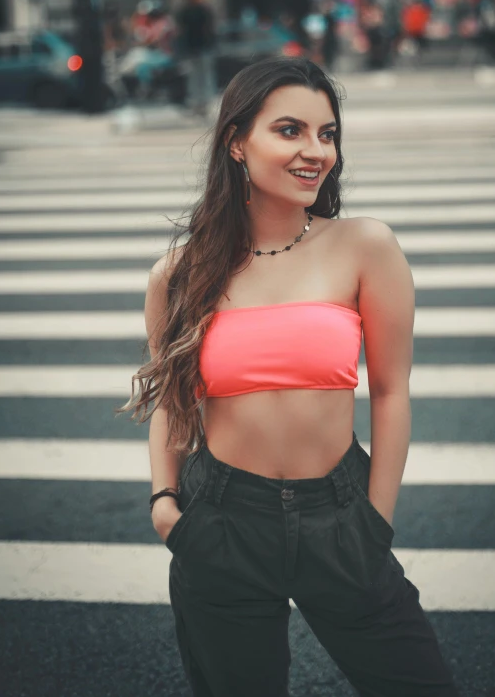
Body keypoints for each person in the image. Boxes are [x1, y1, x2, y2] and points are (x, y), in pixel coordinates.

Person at [118, 57, 460, 697]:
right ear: (237, 142)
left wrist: (375, 522)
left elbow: (389, 391)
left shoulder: (365, 246)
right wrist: (166, 506)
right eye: (291, 130)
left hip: (339, 514)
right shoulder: (180, 272)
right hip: (220, 519)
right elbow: (172, 399)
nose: (316, 151)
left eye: (327, 134)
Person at [175, 0, 216, 118]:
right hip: (196, 48)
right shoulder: (196, 10)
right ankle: (199, 104)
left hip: (199, 48)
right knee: (197, 77)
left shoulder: (194, 10)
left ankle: (203, 104)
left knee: (201, 76)